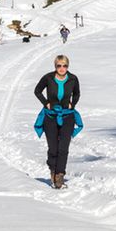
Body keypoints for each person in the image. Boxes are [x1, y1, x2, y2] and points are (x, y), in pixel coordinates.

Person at [33, 54, 81, 189]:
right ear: (55, 66)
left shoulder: (73, 79)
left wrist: (73, 104)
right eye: (59, 65)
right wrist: (46, 103)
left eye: (64, 65)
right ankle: (53, 170)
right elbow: (37, 91)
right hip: (51, 117)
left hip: (67, 116)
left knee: (63, 148)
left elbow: (77, 93)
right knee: (53, 148)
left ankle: (60, 175)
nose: (62, 68)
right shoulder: (48, 78)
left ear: (68, 66)